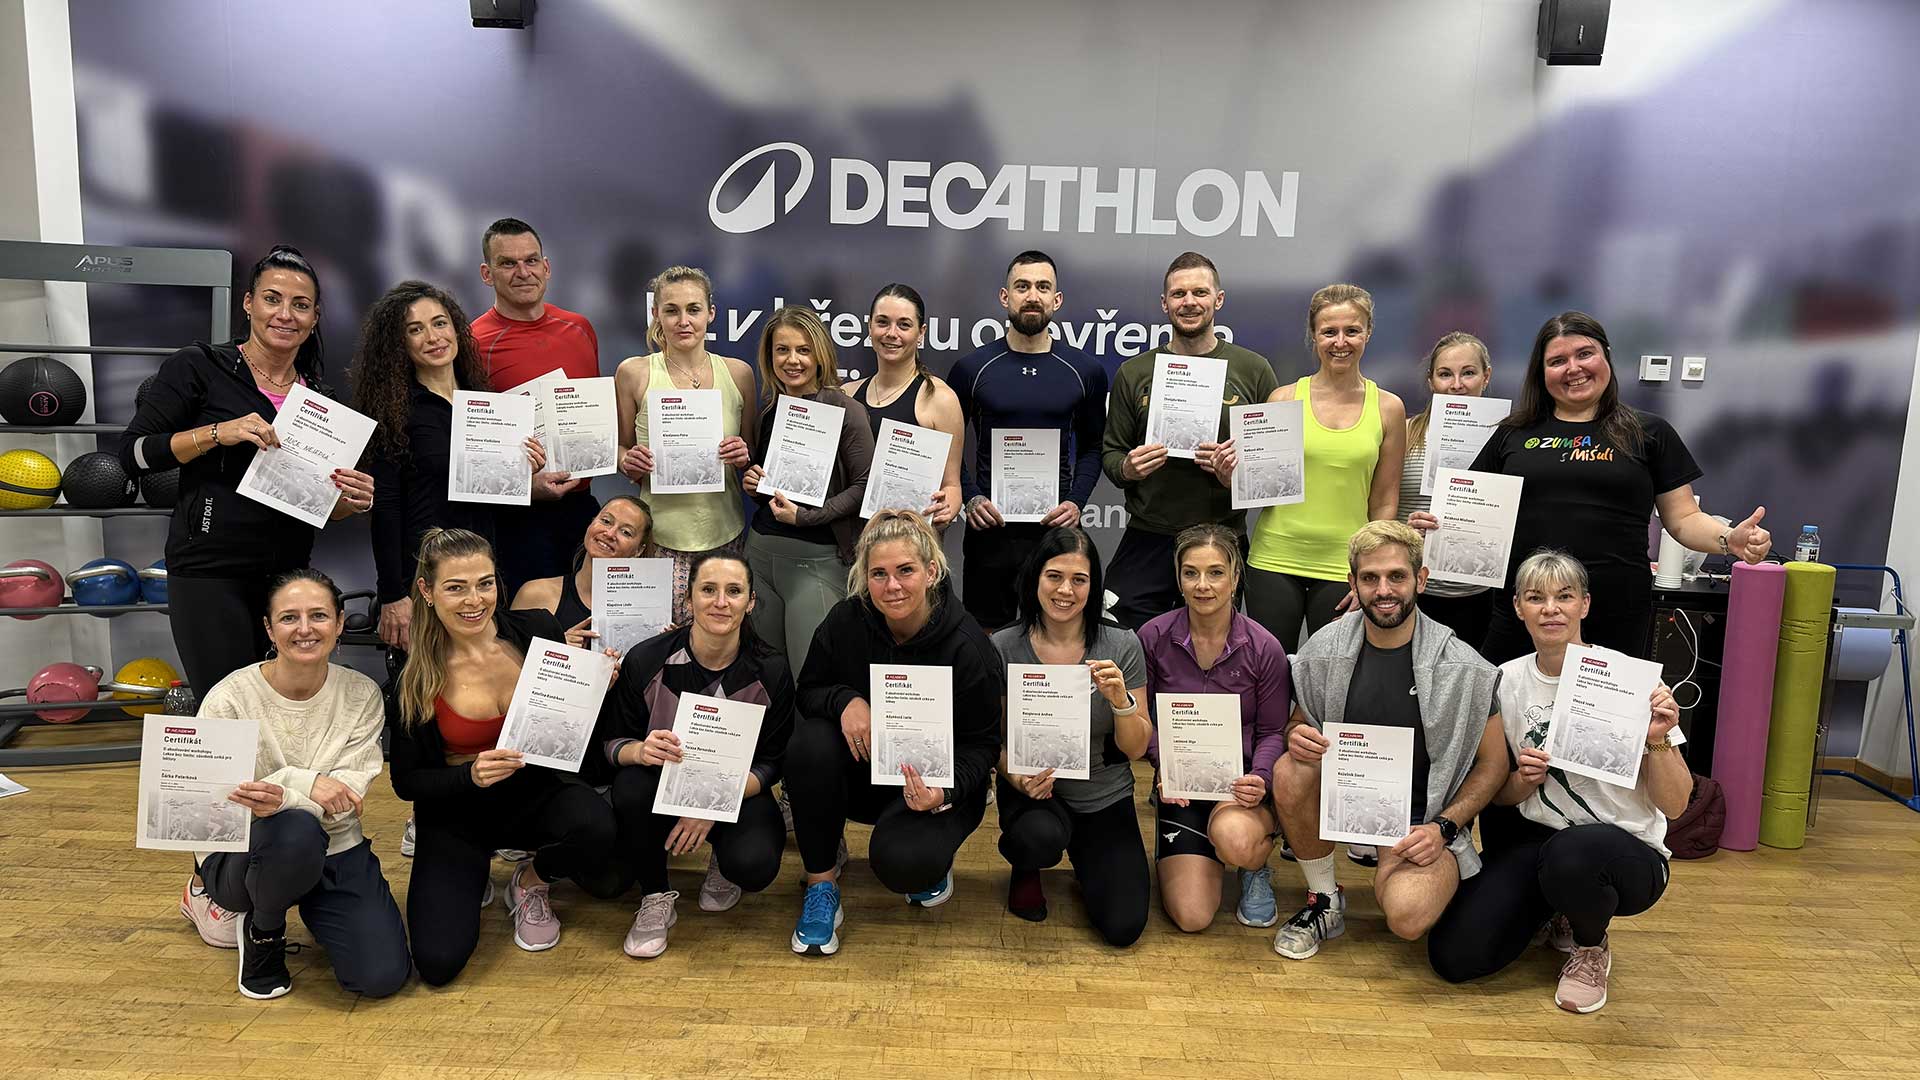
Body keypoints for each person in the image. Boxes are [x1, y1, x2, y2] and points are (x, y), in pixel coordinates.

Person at [1427, 550, 1688, 1013]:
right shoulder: (1505, 680)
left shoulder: (1630, 679)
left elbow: (1676, 804)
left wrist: (1656, 740)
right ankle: (1558, 908)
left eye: (1564, 597)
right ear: (1518, 607)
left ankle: (1590, 945)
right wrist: (1523, 780)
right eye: (1536, 598)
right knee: (1455, 957)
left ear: (1584, 605)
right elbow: (1500, 796)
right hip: (1540, 843)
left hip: (1628, 849)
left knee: (1575, 854)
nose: (1551, 609)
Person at [118, 245, 375, 697]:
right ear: (249, 303)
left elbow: (325, 508)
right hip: (210, 571)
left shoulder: (322, 400)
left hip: (288, 577)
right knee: (227, 708)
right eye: (273, 299)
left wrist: (349, 501)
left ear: (314, 317)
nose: (285, 314)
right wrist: (219, 433)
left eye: (300, 305)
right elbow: (134, 454)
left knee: (282, 705)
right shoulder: (200, 367)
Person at [1454, 311, 1771, 664]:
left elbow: (1683, 519)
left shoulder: (1649, 432)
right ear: (1541, 373)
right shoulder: (1512, 434)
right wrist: (1435, 527)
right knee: (1505, 698)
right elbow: (1471, 513)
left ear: (1606, 355)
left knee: (1601, 702)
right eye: (1557, 361)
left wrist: (1729, 539)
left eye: (1584, 354)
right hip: (1528, 611)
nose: (1573, 368)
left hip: (1616, 612)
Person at [388, 528, 623, 986]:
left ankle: (531, 879)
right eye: (456, 587)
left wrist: (595, 689)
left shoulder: (537, 628)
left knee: (601, 840)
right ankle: (469, 874)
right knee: (438, 963)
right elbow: (406, 782)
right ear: (427, 591)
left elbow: (565, 727)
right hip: (457, 813)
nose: (474, 600)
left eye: (485, 583)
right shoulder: (414, 678)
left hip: (532, 793)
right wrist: (469, 776)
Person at [1268, 521, 1507, 960]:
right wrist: (1295, 735)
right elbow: (1299, 723)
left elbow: (1494, 764)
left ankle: (1436, 878)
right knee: (1291, 769)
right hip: (1344, 805)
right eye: (1370, 578)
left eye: (1396, 576)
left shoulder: (1464, 667)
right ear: (1352, 583)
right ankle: (1324, 901)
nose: (1383, 590)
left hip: (1420, 822)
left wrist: (1444, 827)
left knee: (1407, 916)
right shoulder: (1324, 649)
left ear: (1421, 579)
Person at [184, 569, 410, 1000]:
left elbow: (344, 801)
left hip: (335, 845)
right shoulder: (229, 698)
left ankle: (308, 900)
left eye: (318, 615)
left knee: (380, 978)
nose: (305, 629)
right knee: (294, 829)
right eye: (289, 618)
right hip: (241, 856)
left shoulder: (362, 694)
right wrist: (302, 783)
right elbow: (210, 808)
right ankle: (263, 933)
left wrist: (282, 794)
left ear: (340, 623)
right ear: (269, 629)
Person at [785, 511, 1002, 955]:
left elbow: (983, 746)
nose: (893, 586)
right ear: (865, 578)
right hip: (866, 772)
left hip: (936, 786)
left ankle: (930, 858)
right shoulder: (845, 621)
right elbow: (808, 691)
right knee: (809, 742)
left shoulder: (969, 646)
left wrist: (944, 792)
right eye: (879, 574)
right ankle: (822, 883)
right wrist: (844, 700)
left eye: (906, 570)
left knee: (905, 864)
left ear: (931, 571)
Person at [592, 551, 794, 958]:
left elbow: (772, 762)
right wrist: (639, 750)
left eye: (734, 591)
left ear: (750, 602)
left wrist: (711, 807)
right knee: (630, 785)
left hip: (734, 792)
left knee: (754, 865)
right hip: (660, 787)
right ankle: (654, 895)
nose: (721, 602)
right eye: (708, 590)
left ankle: (723, 856)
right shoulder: (647, 658)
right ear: (688, 599)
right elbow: (610, 744)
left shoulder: (771, 669)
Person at [357, 279, 544, 650]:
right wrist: (392, 594)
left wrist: (526, 473)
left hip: (484, 572)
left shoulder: (488, 405)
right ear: (399, 343)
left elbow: (496, 501)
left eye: (439, 323)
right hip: (426, 577)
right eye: (415, 329)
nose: (433, 337)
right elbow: (386, 507)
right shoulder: (395, 413)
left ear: (456, 328)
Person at [1223, 283, 1406, 653]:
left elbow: (1385, 501)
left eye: (1352, 331)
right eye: (1329, 332)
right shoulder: (1283, 399)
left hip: (1344, 568)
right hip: (1274, 561)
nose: (1340, 342)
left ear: (1368, 333)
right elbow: (1261, 488)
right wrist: (1233, 477)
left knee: (1334, 677)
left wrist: (1370, 572)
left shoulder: (1389, 408)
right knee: (1269, 673)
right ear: (1314, 335)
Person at [1101, 252, 1278, 629]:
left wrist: (1236, 477)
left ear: (1219, 299)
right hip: (1149, 535)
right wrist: (1129, 468)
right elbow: (1112, 456)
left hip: (1221, 536)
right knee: (1125, 640)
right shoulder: (1134, 372)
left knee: (1211, 646)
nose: (1189, 302)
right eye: (1178, 294)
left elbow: (1271, 469)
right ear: (1164, 303)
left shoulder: (1254, 369)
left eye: (1200, 292)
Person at [992, 527, 1150, 946]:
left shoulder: (1121, 644)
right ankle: (1027, 864)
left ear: (1094, 587)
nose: (1066, 590)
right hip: (1035, 794)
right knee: (1037, 839)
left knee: (1124, 927)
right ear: (1035, 578)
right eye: (1054, 576)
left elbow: (1136, 748)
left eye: (1079, 579)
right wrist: (1015, 777)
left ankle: (1088, 859)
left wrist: (1120, 702)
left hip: (1103, 792)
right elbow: (992, 739)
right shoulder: (1004, 646)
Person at [1139, 524, 1291, 933]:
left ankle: (1254, 865)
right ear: (1178, 578)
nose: (1202, 585)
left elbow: (1273, 731)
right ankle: (1198, 847)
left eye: (1215, 572)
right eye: (1191, 573)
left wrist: (1260, 780)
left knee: (1235, 838)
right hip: (1181, 788)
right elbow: (1142, 719)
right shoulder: (1153, 636)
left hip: (1240, 790)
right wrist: (1164, 765)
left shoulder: (1264, 647)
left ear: (1235, 576)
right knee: (1192, 917)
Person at [951, 252, 1109, 629]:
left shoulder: (1084, 371)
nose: (1032, 296)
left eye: (1043, 287)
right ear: (1005, 296)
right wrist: (971, 496)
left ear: (1057, 299)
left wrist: (1076, 502)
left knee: (1060, 632)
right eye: (1022, 287)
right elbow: (947, 447)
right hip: (990, 530)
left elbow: (1093, 447)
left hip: (1056, 530)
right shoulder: (971, 369)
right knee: (988, 639)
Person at [616, 265, 758, 624]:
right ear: (655, 313)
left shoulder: (738, 373)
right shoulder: (634, 373)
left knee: (720, 637)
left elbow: (751, 455)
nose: (683, 321)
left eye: (693, 309)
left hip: (724, 535)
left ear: (711, 313)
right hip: (660, 538)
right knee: (663, 642)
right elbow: (619, 450)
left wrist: (743, 456)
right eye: (671, 310)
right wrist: (627, 461)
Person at [469, 217, 600, 597]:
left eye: (530, 260)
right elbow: (470, 450)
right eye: (507, 263)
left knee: (592, 617)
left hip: (581, 508)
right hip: (516, 515)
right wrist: (526, 487)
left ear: (546, 267)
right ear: (487, 273)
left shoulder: (580, 328)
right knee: (531, 622)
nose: (522, 272)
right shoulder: (472, 343)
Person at [739, 306, 875, 671]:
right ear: (770, 356)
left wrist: (806, 517)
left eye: (803, 350)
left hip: (816, 563)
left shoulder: (846, 410)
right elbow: (772, 490)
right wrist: (755, 485)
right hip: (760, 555)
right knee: (764, 674)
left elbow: (865, 486)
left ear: (820, 355)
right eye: (782, 350)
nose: (792, 360)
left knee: (810, 676)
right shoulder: (770, 411)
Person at [1396, 332, 1497, 648]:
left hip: (1480, 593)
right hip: (1412, 588)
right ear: (1431, 380)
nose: (1457, 384)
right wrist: (1405, 531)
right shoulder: (1404, 432)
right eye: (1445, 374)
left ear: (1486, 376)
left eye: (1468, 373)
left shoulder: (1506, 438)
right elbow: (1378, 506)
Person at [843, 284, 964, 530]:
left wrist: (945, 509)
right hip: (850, 544)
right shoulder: (846, 394)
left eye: (904, 325)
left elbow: (952, 486)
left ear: (921, 333)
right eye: (882, 322)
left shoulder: (940, 399)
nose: (891, 333)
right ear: (869, 327)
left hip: (911, 543)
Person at [510, 494, 659, 647]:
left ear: (638, 550)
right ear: (592, 522)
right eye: (606, 521)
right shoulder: (535, 594)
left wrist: (663, 647)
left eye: (626, 532)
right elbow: (508, 659)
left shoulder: (649, 616)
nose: (610, 534)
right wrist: (557, 648)